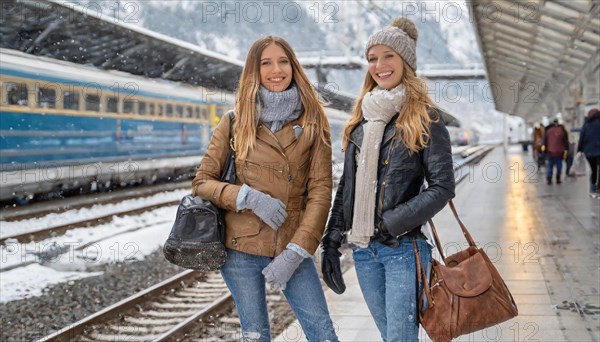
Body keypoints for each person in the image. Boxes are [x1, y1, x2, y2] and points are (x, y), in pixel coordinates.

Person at [192, 35, 338, 342]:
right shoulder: (234, 121)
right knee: (255, 335)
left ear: (293, 67)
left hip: (291, 245)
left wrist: (297, 251)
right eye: (266, 63)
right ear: (254, 71)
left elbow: (321, 192)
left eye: (283, 61)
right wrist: (248, 197)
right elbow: (202, 182)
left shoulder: (313, 121)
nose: (276, 70)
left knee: (322, 333)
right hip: (240, 249)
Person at [320, 17, 455, 341]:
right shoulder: (361, 122)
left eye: (388, 56)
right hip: (364, 251)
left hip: (403, 249)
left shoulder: (425, 118)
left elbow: (442, 187)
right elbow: (347, 188)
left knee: (399, 338)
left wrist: (390, 223)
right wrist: (331, 239)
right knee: (391, 336)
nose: (379, 65)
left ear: (406, 61)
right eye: (372, 58)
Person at [577, 108, 600, 197]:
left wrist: (579, 150)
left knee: (594, 170)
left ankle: (592, 189)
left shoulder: (586, 125)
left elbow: (581, 138)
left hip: (589, 152)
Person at [542, 118, 569, 184]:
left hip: (550, 152)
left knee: (550, 166)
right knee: (559, 165)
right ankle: (558, 178)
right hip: (559, 152)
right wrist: (566, 150)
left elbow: (544, 142)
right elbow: (565, 141)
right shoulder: (562, 130)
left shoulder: (548, 130)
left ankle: (549, 179)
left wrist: (544, 151)